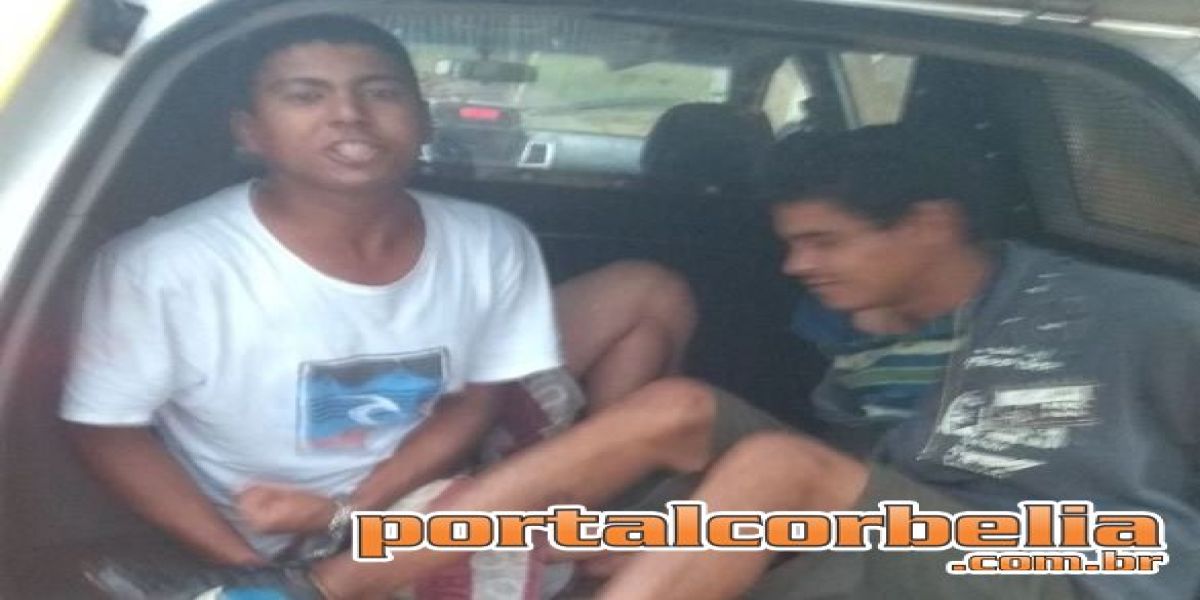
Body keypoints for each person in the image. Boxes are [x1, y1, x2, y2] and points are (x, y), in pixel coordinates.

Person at [89, 111, 1200, 599]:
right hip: (915, 540)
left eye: (824, 242)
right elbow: (874, 496)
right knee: (679, 408)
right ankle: (310, 588)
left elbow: (825, 487)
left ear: (929, 223)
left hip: (1079, 562)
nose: (796, 267)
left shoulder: (1137, 316)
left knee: (775, 470)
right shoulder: (866, 340)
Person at [61, 13, 695, 584]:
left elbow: (476, 399)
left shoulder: (490, 238)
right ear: (250, 132)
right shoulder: (164, 265)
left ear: (423, 120)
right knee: (677, 419)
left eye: (381, 92)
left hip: (418, 476)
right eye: (306, 95)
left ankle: (587, 520)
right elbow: (107, 430)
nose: (349, 114)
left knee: (647, 292)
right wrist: (250, 567)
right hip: (280, 527)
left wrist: (351, 510)